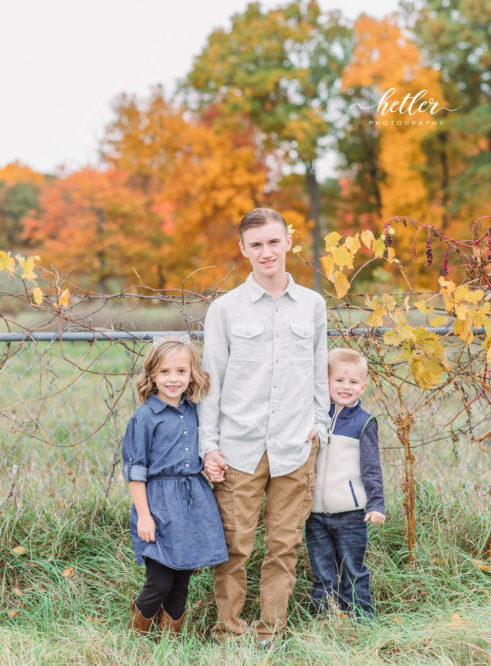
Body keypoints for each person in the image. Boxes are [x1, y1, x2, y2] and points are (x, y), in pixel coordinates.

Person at [198, 207, 329, 645]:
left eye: (274, 242)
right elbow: (209, 385)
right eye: (256, 245)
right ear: (243, 250)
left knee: (284, 548)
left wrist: (319, 426)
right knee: (234, 548)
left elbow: (317, 373)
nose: (266, 252)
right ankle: (228, 631)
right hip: (239, 448)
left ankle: (271, 631)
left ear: (288, 241)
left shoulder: (312, 304)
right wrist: (208, 447)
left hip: (295, 446)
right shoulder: (225, 310)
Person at [123, 337, 228, 638]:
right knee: (160, 581)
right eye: (165, 372)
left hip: (192, 502)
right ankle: (137, 639)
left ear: (192, 374)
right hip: (158, 505)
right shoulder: (144, 418)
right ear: (152, 375)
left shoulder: (194, 411)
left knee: (182, 580)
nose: (173, 379)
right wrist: (144, 515)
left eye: (181, 371)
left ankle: (170, 643)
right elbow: (135, 471)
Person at [305, 348, 385, 619]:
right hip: (315, 514)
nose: (345, 387)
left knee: (353, 569)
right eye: (338, 380)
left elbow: (372, 468)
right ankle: (325, 622)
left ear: (363, 386)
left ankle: (362, 622)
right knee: (323, 573)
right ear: (325, 382)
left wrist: (376, 504)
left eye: (352, 382)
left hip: (351, 514)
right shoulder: (314, 419)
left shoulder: (364, 423)